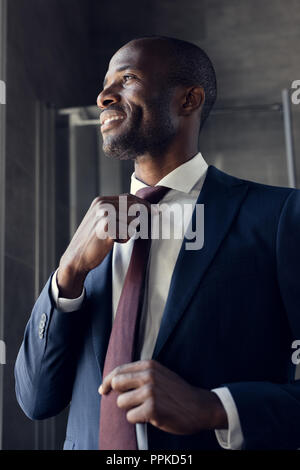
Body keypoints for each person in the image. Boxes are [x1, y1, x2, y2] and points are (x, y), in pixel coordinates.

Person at [15, 35, 300, 450]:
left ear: (189, 100)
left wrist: (215, 408)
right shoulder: (88, 241)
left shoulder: (280, 217)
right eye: (105, 83)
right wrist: (69, 272)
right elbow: (36, 400)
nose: (102, 97)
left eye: (126, 79)